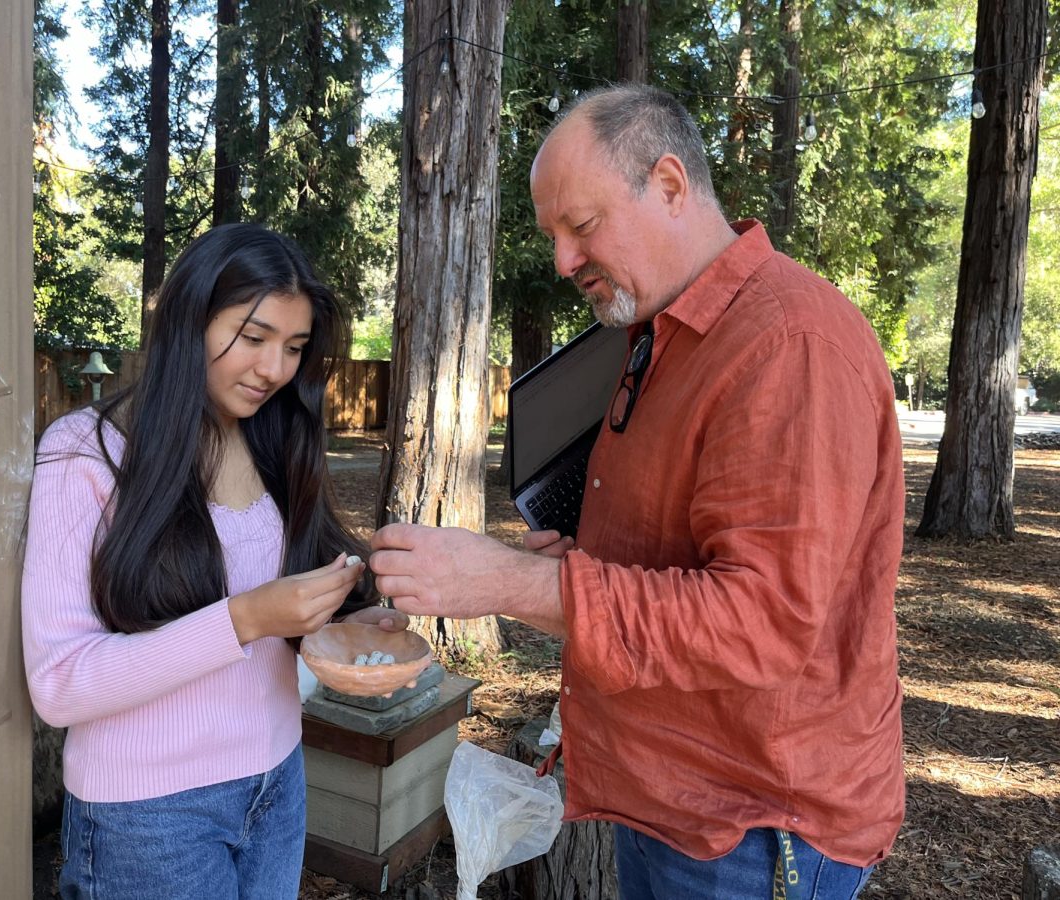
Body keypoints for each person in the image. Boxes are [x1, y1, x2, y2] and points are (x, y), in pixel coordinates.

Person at [369, 84, 905, 899]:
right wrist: (590, 553)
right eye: (553, 235)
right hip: (669, 795)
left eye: (581, 227)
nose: (562, 262)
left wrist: (513, 583)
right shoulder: (660, 330)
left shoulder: (788, 344)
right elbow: (687, 545)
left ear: (668, 184)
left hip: (751, 831)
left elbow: (762, 624)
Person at [22, 224, 406, 900]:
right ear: (189, 321)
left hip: (277, 785)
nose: (273, 370)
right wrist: (245, 619)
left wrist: (351, 624)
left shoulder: (272, 437)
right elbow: (59, 684)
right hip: (147, 818)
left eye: (293, 347)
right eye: (253, 338)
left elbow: (286, 602)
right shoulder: (86, 452)